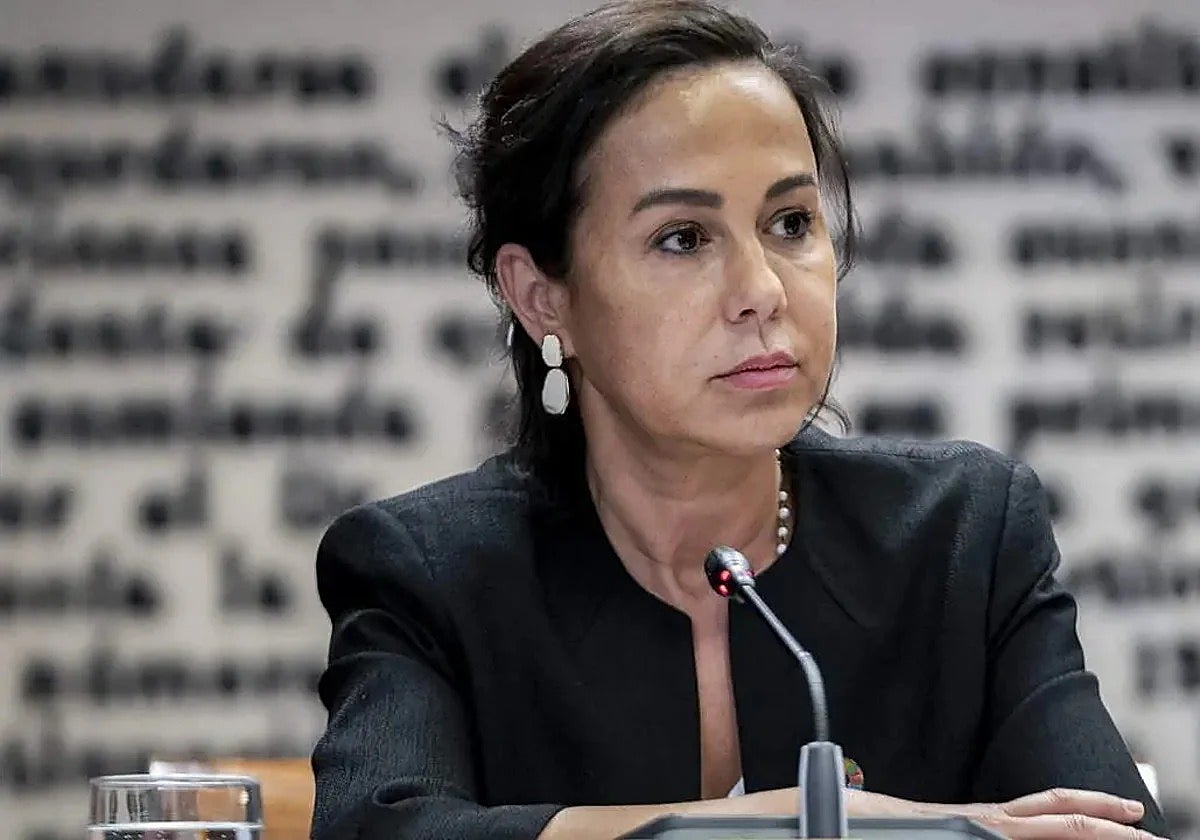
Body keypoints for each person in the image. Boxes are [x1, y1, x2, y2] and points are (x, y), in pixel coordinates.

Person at [309, 2, 1171, 838]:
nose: (761, 291)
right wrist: (810, 827)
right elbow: (376, 827)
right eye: (683, 238)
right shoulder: (430, 575)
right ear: (542, 298)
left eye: (790, 223)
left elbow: (1107, 829)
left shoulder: (964, 538)